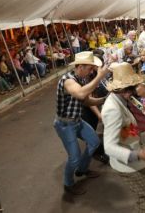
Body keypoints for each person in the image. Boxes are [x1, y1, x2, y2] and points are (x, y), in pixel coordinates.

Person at [102, 63, 145, 212]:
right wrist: (138, 154)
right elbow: (109, 147)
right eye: (129, 88)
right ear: (119, 88)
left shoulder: (125, 99)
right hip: (128, 163)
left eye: (132, 87)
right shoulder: (113, 109)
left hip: (139, 156)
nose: (132, 92)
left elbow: (141, 114)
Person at [53, 51, 109, 195]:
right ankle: (68, 184)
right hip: (65, 125)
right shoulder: (68, 80)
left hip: (77, 120)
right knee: (74, 157)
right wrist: (99, 76)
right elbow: (80, 94)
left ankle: (82, 170)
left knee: (94, 142)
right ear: (80, 67)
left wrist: (104, 99)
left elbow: (86, 100)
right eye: (90, 68)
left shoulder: (81, 80)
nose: (91, 71)